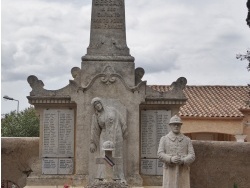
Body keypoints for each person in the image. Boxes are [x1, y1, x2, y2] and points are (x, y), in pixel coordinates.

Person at [90, 97, 127, 183]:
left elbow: (121, 120)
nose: (98, 106)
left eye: (98, 104)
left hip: (115, 135)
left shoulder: (112, 110)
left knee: (116, 154)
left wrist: (124, 131)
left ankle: (118, 176)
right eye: (95, 106)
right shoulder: (96, 116)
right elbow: (94, 129)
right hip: (104, 136)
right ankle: (103, 176)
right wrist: (92, 142)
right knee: (104, 156)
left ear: (101, 103)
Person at [158, 115, 195, 188]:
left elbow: (192, 155)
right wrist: (170, 159)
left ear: (180, 126)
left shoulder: (187, 140)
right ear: (170, 126)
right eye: (174, 124)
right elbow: (160, 154)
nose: (176, 126)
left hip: (183, 170)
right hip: (169, 170)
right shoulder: (164, 139)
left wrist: (183, 160)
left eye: (178, 124)